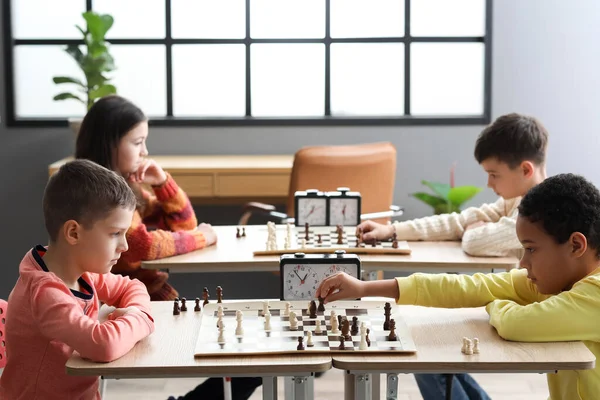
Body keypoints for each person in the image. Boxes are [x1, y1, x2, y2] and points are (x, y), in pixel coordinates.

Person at [317, 173, 600, 400]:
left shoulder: (595, 295)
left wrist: (495, 303)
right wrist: (365, 289)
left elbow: (516, 323)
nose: (523, 263)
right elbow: (468, 286)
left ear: (576, 245)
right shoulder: (564, 281)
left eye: (531, 250)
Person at [75, 95, 261, 400]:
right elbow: (142, 245)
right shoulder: (98, 193)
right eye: (137, 142)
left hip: (152, 299)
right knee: (243, 357)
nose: (145, 151)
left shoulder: (127, 187)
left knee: (244, 356)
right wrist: (204, 238)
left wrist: (163, 182)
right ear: (109, 144)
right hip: (124, 310)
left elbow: (183, 226)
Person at [0, 160, 155, 400]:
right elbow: (104, 345)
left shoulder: (82, 271)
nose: (124, 246)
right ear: (74, 233)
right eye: (115, 234)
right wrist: (141, 318)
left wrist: (133, 309)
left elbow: (132, 286)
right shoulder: (45, 294)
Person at [358, 113, 549, 259]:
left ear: (525, 170)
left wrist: (472, 231)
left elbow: (476, 243)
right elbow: (458, 222)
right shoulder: (516, 200)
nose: (489, 184)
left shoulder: (540, 213)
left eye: (494, 175)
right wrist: (391, 231)